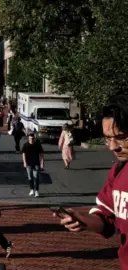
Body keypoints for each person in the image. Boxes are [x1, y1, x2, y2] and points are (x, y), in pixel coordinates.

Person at [54, 95, 128, 269]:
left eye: (121, 137)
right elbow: (106, 218)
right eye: (108, 138)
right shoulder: (119, 170)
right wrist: (83, 220)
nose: (113, 146)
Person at [22, 133, 44, 197]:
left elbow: (41, 154)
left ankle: (36, 191)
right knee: (30, 177)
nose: (31, 139)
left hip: (36, 163)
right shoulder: (25, 145)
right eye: (30, 138)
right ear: (28, 138)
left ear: (34, 138)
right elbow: (23, 154)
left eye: (32, 138)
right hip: (28, 164)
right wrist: (24, 162)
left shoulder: (38, 145)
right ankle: (31, 189)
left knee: (36, 177)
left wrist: (42, 163)